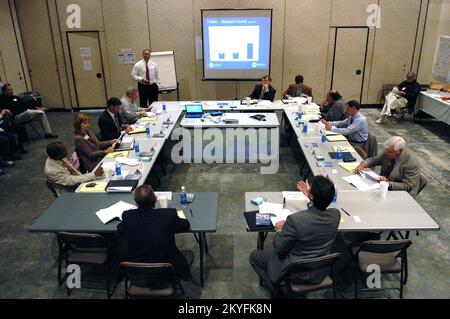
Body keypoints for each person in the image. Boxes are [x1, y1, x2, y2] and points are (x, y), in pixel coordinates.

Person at [249, 176, 340, 297]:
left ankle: (276, 292)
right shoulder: (336, 215)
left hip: (296, 272)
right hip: (320, 271)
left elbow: (280, 248)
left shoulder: (295, 220)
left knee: (255, 256)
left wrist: (279, 230)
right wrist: (310, 197)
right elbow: (317, 214)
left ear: (312, 196)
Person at [117, 185, 194, 281]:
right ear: (155, 199)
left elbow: (120, 230)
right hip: (166, 267)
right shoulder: (168, 215)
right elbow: (185, 225)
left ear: (136, 204)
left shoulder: (128, 216)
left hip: (137, 268)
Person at [354, 136, 421, 196]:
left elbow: (407, 186)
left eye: (390, 152)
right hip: (382, 186)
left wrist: (389, 183)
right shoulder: (388, 152)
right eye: (387, 151)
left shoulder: (411, 163)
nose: (387, 153)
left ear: (400, 151)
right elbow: (376, 159)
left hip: (398, 193)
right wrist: (363, 164)